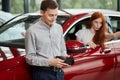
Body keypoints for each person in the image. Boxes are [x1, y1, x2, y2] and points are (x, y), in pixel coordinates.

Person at [25, 0, 69, 80]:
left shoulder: (59, 28)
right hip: (42, 74)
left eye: (56, 15)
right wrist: (49, 62)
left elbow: (62, 49)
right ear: (42, 12)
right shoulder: (32, 31)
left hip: (59, 73)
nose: (54, 18)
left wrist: (65, 58)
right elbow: (29, 58)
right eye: (51, 15)